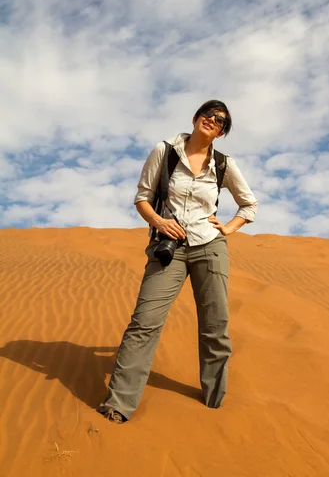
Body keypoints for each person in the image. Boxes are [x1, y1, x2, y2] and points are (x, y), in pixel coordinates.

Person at [97, 100, 258, 423]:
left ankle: (214, 402)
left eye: (220, 121)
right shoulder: (165, 151)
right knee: (145, 321)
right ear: (196, 117)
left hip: (210, 247)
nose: (213, 121)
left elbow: (248, 205)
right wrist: (159, 222)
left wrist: (226, 228)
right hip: (168, 247)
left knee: (215, 327)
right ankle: (119, 403)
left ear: (222, 132)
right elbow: (142, 197)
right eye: (208, 115)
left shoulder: (224, 164)